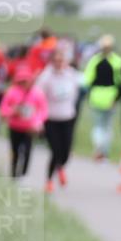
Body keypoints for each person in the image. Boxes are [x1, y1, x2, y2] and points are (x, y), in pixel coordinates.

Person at [36, 45, 80, 192]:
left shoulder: (71, 75)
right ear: (52, 61)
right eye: (57, 60)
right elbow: (39, 98)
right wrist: (39, 120)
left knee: (66, 151)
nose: (60, 63)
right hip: (51, 119)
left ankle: (61, 166)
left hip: (67, 117)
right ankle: (49, 180)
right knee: (55, 150)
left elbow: (75, 94)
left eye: (62, 60)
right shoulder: (46, 77)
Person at [0, 66, 48, 178]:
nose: (23, 84)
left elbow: (43, 110)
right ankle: (13, 173)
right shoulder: (11, 92)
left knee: (27, 151)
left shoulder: (37, 93)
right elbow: (3, 109)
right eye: (21, 81)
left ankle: (24, 171)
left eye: (25, 81)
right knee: (15, 151)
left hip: (29, 128)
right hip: (15, 126)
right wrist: (12, 111)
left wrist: (38, 122)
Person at [82, 34, 121, 161]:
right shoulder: (117, 61)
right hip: (111, 96)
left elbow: (87, 80)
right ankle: (104, 152)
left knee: (98, 126)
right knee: (107, 126)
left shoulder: (95, 60)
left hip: (96, 96)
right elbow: (120, 81)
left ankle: (98, 148)